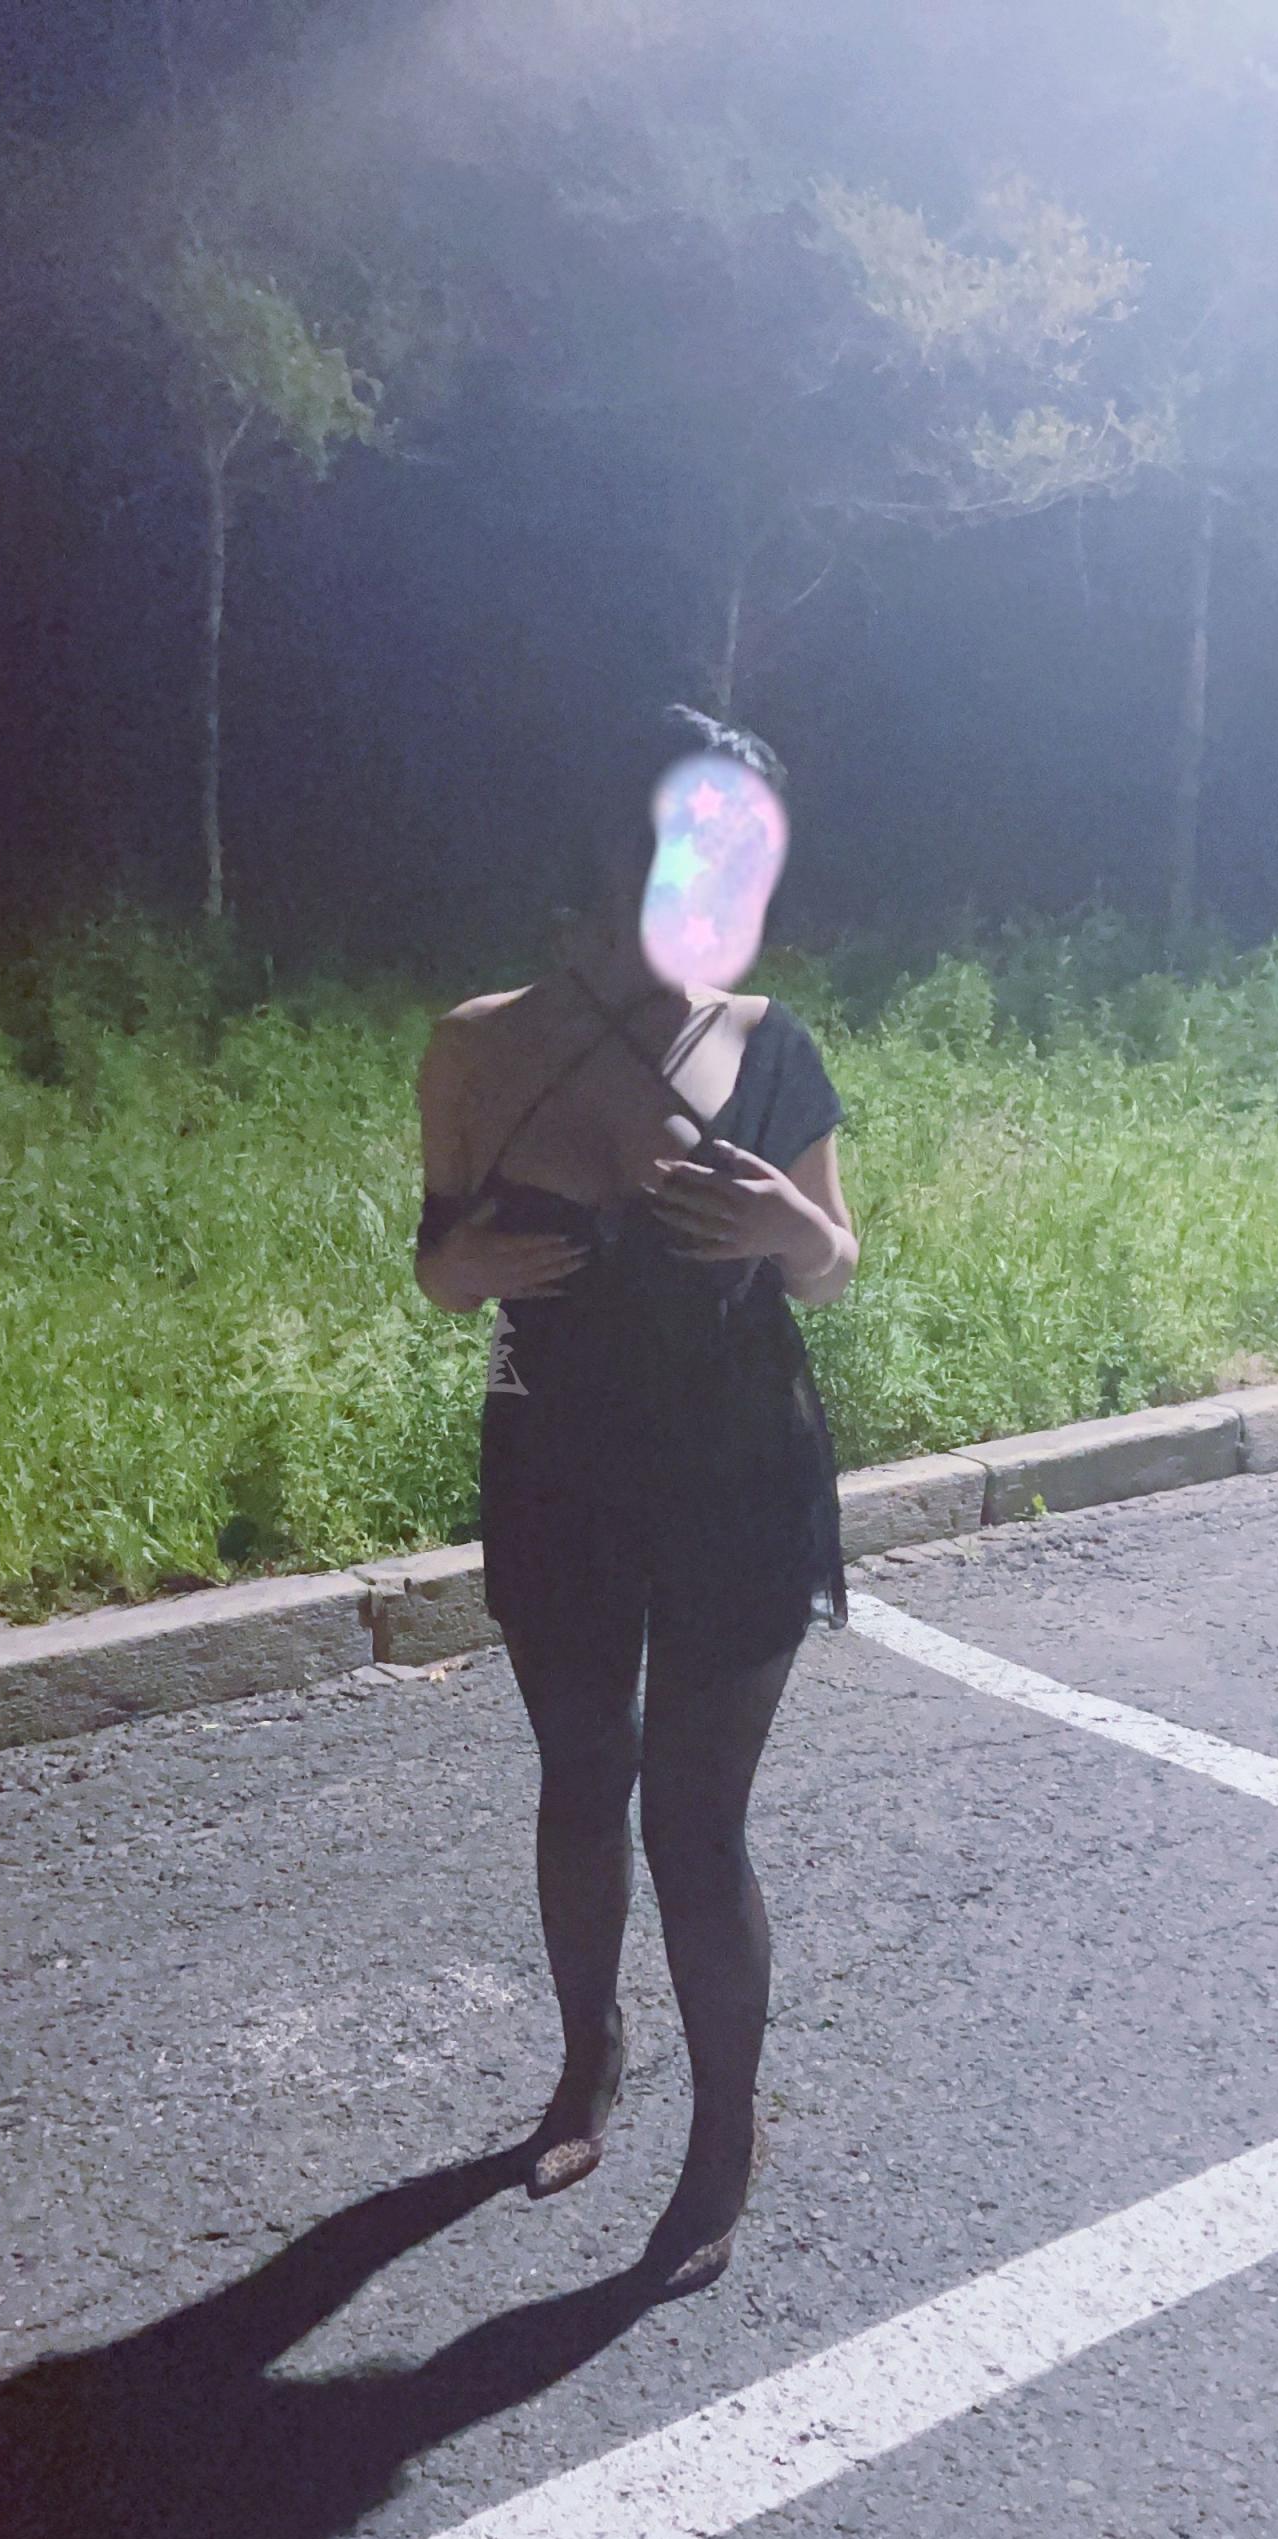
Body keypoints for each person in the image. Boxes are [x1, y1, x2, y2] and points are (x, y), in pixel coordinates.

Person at [414, 717, 858, 2296]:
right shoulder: (477, 1047)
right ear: (617, 850)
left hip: (741, 1474)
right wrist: (462, 1266)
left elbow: (835, 1264)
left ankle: (725, 2137)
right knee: (581, 1779)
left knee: (695, 1822)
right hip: (562, 1473)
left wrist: (790, 1225)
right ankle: (585, 2065)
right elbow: (438, 1260)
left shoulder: (771, 1044)